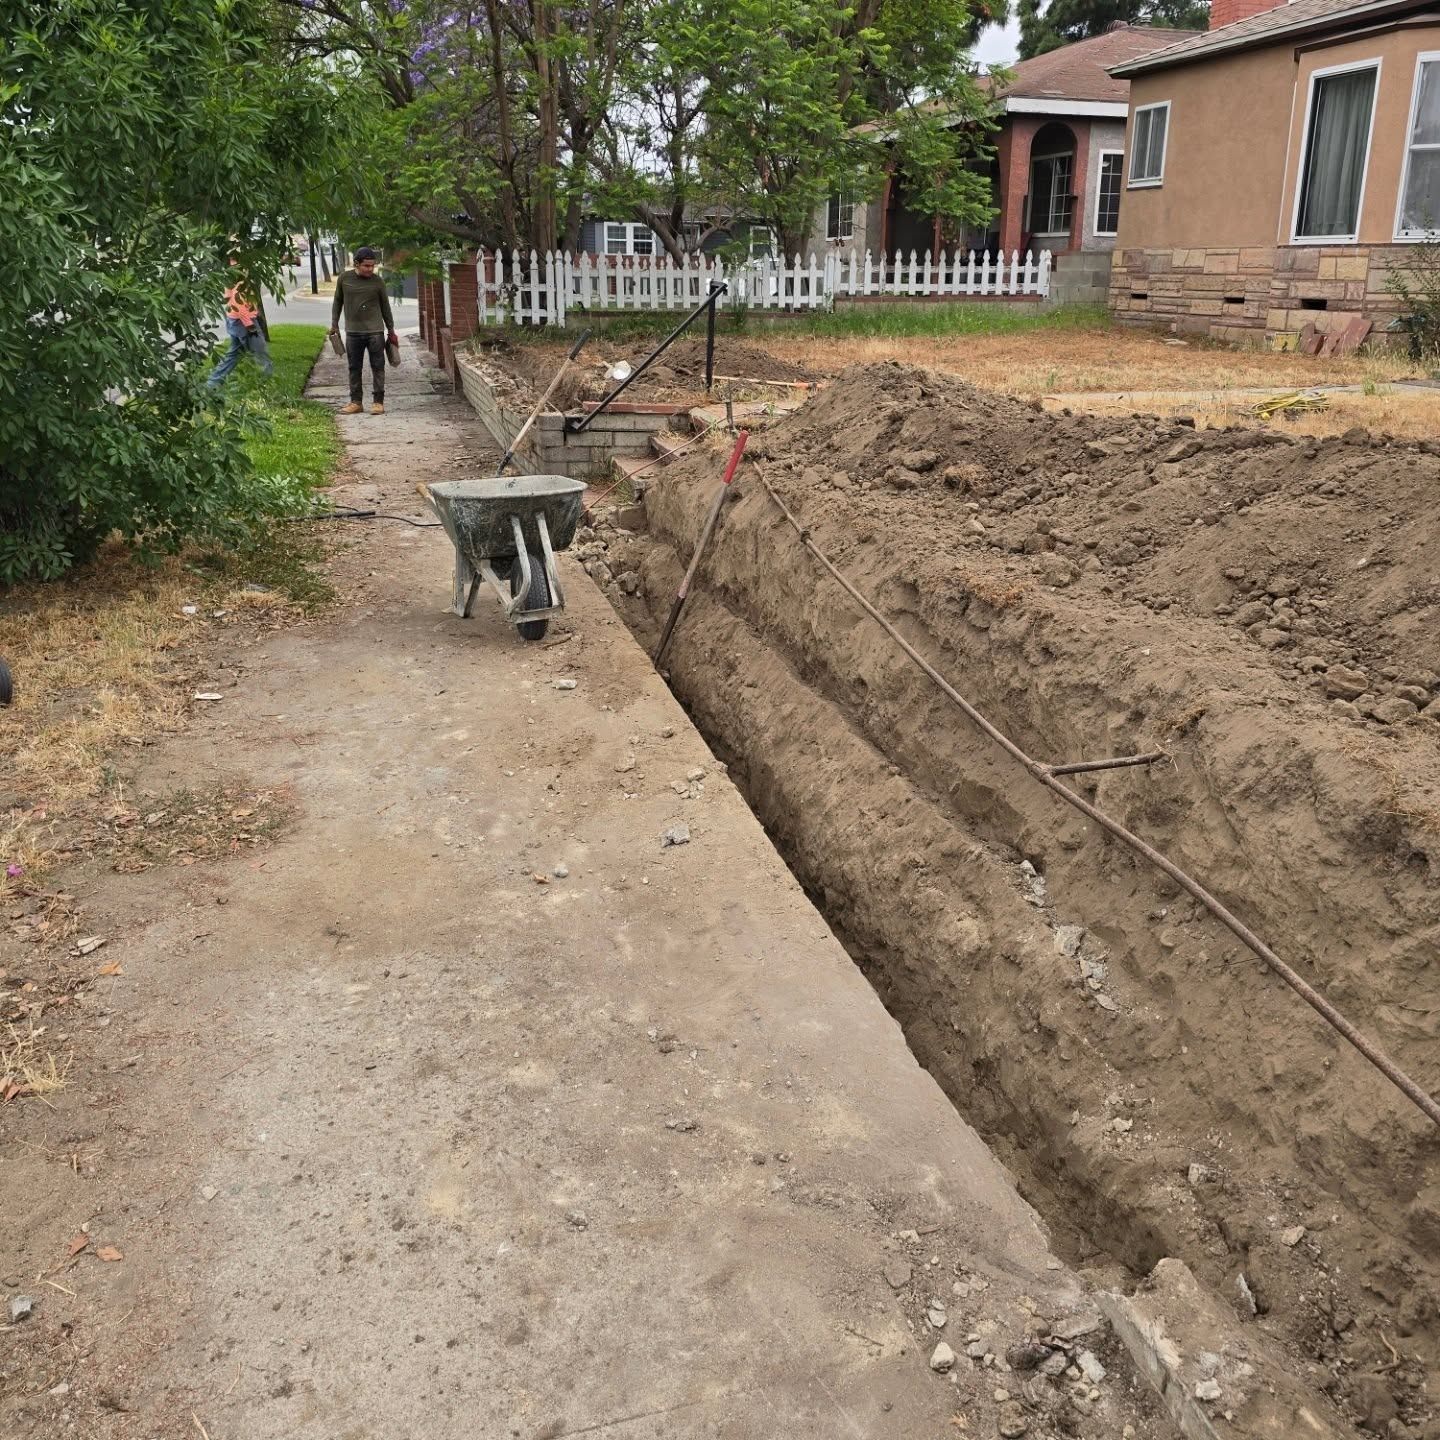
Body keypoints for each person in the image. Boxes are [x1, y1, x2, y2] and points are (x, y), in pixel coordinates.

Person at [330, 247, 398, 415]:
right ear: (356, 264)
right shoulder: (344, 279)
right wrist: (334, 324)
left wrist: (391, 330)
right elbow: (337, 301)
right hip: (353, 332)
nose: (370, 269)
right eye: (366, 266)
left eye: (372, 266)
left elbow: (385, 307)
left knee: (378, 366)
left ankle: (378, 402)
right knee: (354, 368)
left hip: (375, 332)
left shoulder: (378, 281)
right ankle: (356, 402)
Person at [207, 271, 273, 389]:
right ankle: (267, 384)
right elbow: (239, 306)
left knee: (233, 355)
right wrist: (250, 326)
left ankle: (212, 383)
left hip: (236, 322)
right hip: (244, 323)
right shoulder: (242, 285)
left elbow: (228, 297)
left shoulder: (234, 281)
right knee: (261, 352)